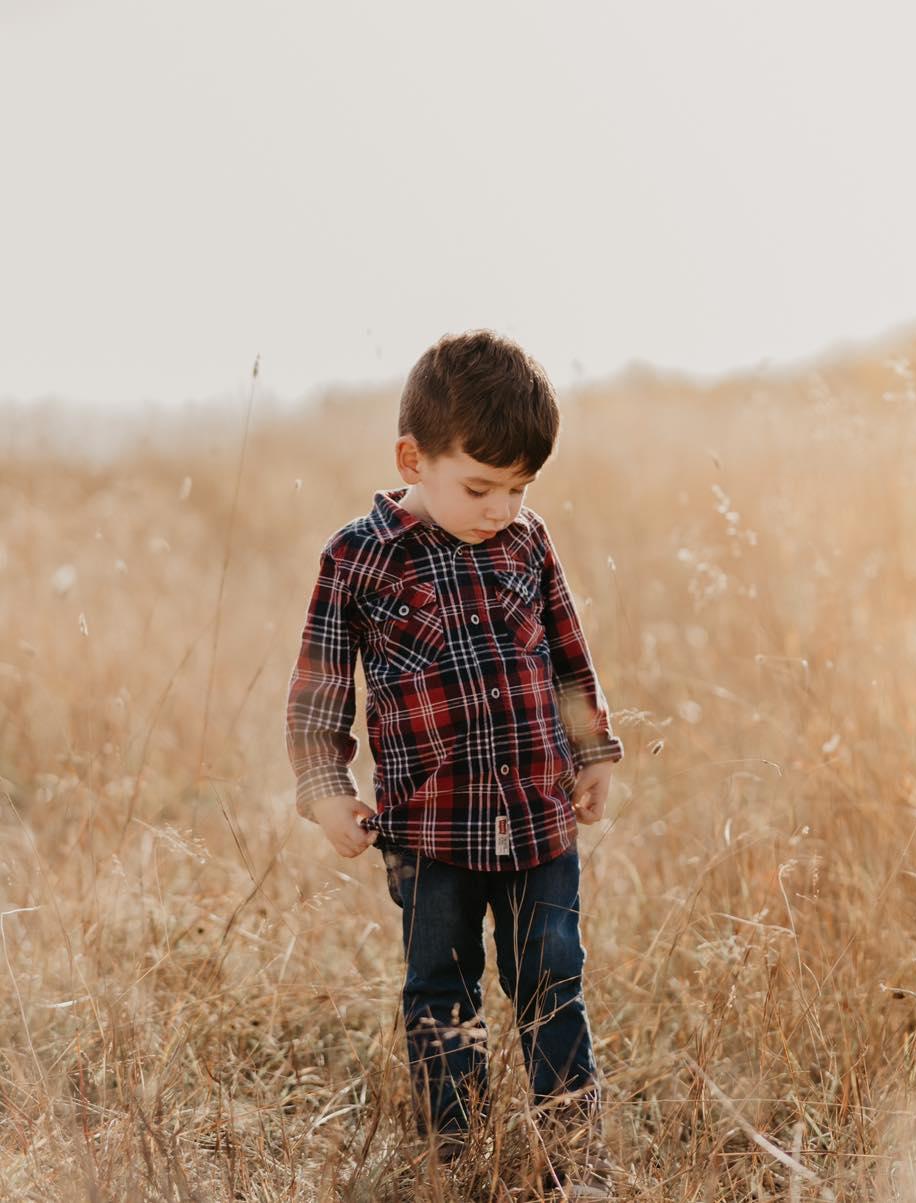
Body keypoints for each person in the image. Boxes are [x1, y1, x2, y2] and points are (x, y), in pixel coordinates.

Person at [286, 329, 624, 1199]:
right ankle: (458, 1158)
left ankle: (571, 1160)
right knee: (441, 990)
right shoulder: (359, 558)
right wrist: (326, 789)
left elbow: (568, 653)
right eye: (480, 486)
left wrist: (592, 752)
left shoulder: (527, 543)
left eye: (517, 489)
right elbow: (322, 687)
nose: (499, 508)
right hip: (432, 828)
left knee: (552, 971)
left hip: (538, 812)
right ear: (413, 457)